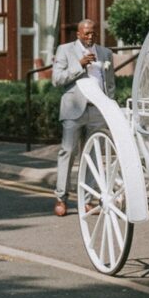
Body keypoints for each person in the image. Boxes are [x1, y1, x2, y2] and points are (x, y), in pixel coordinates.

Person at [50, 19, 113, 217]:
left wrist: (109, 105)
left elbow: (109, 84)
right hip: (73, 110)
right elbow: (56, 79)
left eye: (93, 33)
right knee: (67, 153)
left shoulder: (105, 53)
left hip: (97, 111)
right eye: (86, 33)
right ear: (78, 34)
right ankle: (61, 198)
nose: (90, 36)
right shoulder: (65, 50)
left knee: (93, 156)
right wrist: (79, 64)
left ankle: (87, 200)